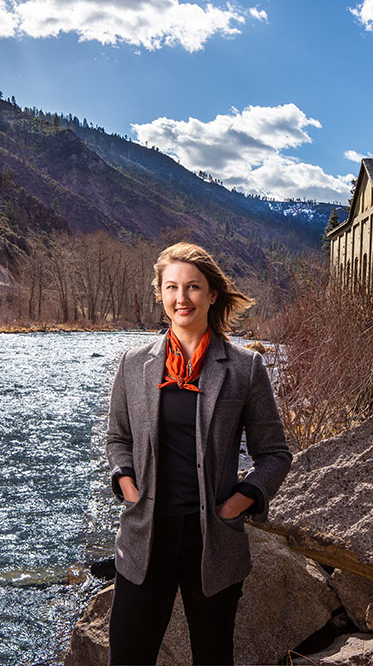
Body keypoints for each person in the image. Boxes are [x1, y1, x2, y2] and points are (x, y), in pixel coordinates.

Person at [105, 242, 293, 665]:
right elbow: (118, 438)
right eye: (171, 287)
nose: (181, 297)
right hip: (144, 538)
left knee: (213, 657)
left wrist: (237, 504)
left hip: (213, 540)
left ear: (212, 294)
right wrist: (127, 485)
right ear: (160, 294)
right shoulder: (134, 364)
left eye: (192, 287)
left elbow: (276, 454)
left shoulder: (245, 367)